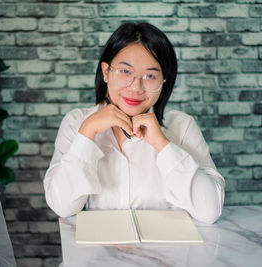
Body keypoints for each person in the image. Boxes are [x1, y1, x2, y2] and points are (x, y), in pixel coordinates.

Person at [43, 22, 225, 224]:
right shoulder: (76, 122)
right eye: (125, 71)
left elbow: (210, 211)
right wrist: (88, 132)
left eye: (150, 76)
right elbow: (62, 206)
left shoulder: (182, 126)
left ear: (164, 81)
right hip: (102, 252)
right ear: (106, 72)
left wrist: (163, 145)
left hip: (169, 254)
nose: (136, 87)